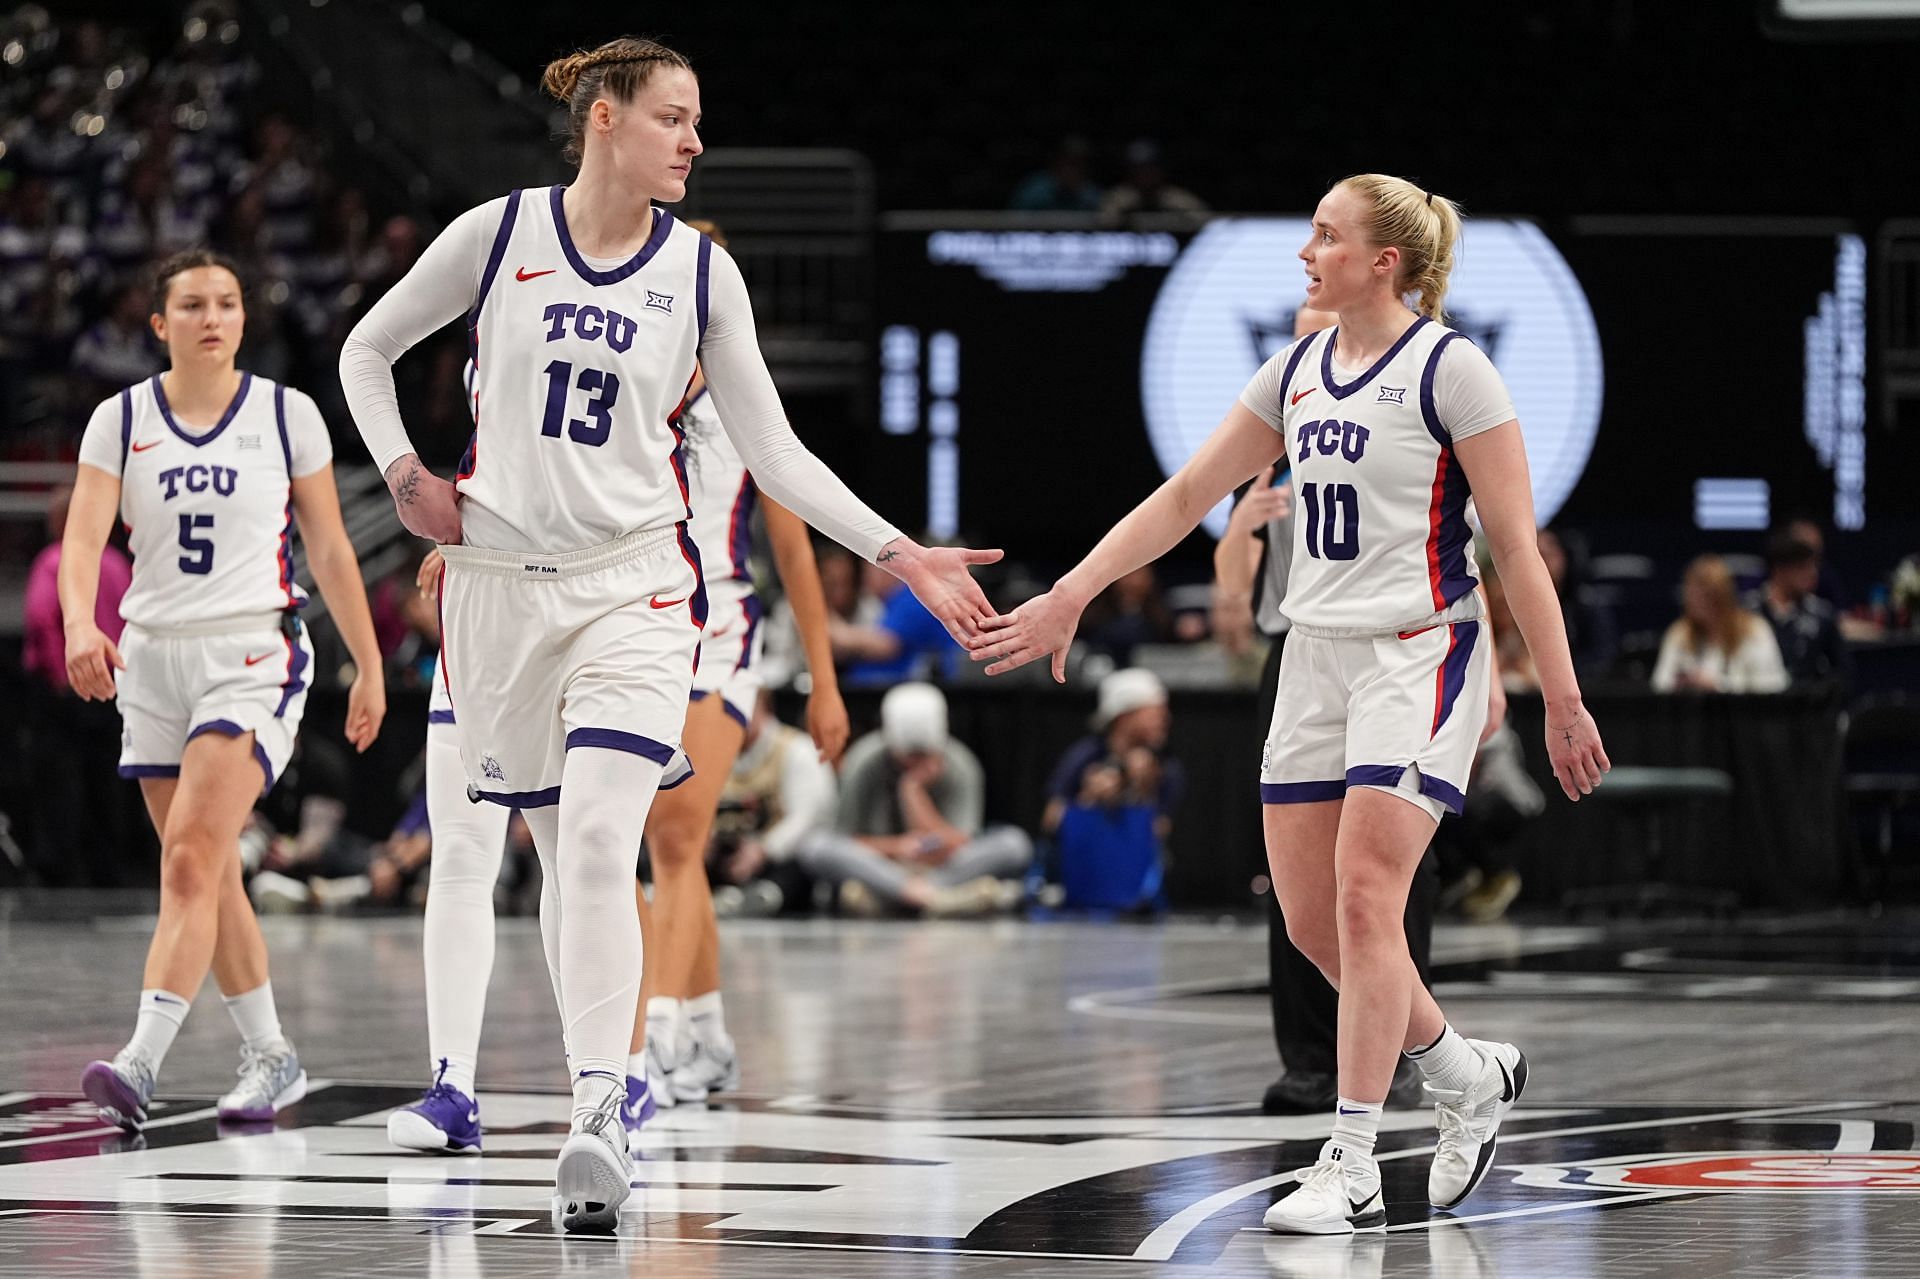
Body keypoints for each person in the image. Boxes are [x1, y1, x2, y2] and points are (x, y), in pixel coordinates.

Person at [338, 36, 999, 1234]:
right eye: (675, 118)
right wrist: (400, 472)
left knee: (599, 839)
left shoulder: (702, 275)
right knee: (534, 843)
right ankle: (481, 1076)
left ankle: (602, 1106)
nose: (696, 141)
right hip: (495, 588)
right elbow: (366, 350)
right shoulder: (498, 236)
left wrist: (899, 549)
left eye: (699, 122)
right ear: (604, 118)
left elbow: (781, 457)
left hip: (638, 589)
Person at [972, 174, 1609, 1234]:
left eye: (1325, 234)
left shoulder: (1458, 373)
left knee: (1369, 900)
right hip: (1313, 654)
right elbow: (1183, 498)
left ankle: (1352, 1156)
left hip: (1421, 651)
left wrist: (1562, 696)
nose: (1305, 252)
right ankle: (1463, 1070)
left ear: (1384, 262)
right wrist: (1071, 594)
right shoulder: (1296, 370)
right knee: (1315, 922)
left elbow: (1516, 552)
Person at [64, 248, 386, 1131]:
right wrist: (81, 624)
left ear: (246, 319)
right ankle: (273, 1053)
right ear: (159, 323)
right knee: (206, 876)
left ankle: (141, 1059)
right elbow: (85, 537)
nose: (214, 317)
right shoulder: (119, 419)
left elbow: (328, 548)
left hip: (250, 651)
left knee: (191, 860)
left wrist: (367, 659)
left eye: (229, 302)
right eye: (194, 304)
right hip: (153, 655)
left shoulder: (287, 416)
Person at [631, 217, 853, 1124]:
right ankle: (710, 1027)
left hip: (720, 634)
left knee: (674, 839)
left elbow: (796, 554)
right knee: (654, 845)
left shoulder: (744, 403)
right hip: (627, 629)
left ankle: (655, 1037)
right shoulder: (617, 383)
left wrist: (827, 682)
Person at [1213, 304, 1446, 1116]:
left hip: (1402, 651)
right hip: (1301, 654)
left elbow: (1480, 558)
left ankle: (1392, 1075)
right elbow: (1228, 604)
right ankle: (1319, 1053)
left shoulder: (1419, 411)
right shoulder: (1274, 437)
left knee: (1381, 878)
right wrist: (1235, 541)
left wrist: (1502, 691)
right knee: (1303, 891)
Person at [796, 683, 1032, 917]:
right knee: (815, 846)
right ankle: (932, 897)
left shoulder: (961, 765)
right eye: (909, 756)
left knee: (1014, 844)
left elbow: (958, 844)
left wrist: (912, 790)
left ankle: (894, 897)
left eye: (924, 755)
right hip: (882, 865)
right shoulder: (864, 761)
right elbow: (848, 839)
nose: (915, 763)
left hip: (941, 866)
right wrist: (898, 847)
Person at [21, 484, 136, 887]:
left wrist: (59, 677)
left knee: (60, 780)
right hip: (110, 686)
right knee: (109, 779)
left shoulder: (54, 562)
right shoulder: (117, 564)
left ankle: (60, 868)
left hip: (66, 689)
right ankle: (108, 865)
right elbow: (129, 623)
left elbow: (40, 619)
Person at [1040, 668, 1184, 911]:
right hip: (1085, 876)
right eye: (1155, 712)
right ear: (1124, 717)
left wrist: (1140, 790)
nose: (1164, 718)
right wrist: (1089, 798)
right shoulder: (1085, 756)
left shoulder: (1167, 769)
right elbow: (1051, 822)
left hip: (1134, 884)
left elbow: (1158, 833)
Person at [1650, 554, 1789, 694]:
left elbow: (1773, 687)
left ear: (1722, 597)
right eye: (1693, 595)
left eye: (1706, 596)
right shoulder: (1679, 633)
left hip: (1743, 713)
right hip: (1691, 713)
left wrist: (1719, 686)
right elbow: (1660, 684)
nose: (1698, 603)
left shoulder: (1755, 630)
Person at [1749, 529, 1851, 689]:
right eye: (1802, 567)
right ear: (1779, 569)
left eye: (1814, 566)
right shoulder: (1747, 613)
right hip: (1756, 706)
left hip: (1808, 708)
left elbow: (1842, 674)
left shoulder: (1823, 616)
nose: (1813, 573)